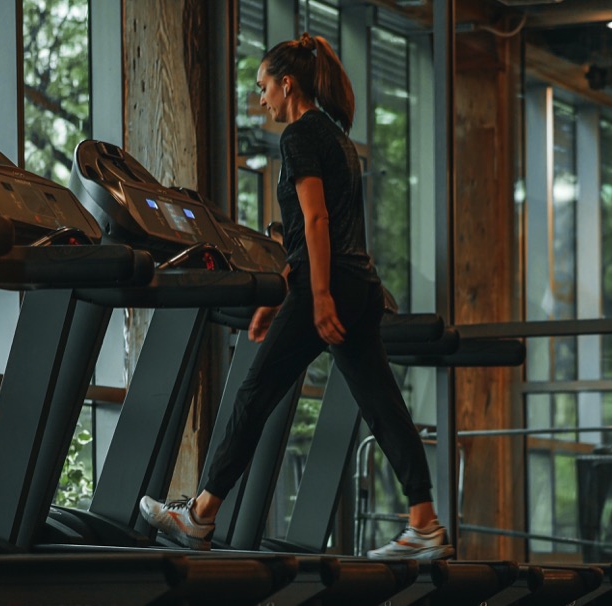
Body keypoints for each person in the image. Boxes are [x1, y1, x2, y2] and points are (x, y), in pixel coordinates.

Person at [139, 33, 454, 560]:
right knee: (381, 404)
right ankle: (424, 523)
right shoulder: (337, 138)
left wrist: (320, 296)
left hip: (329, 287)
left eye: (264, 86)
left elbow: (316, 219)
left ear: (288, 83)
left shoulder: (300, 137)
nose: (261, 99)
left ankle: (200, 515)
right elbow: (314, 239)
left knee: (254, 393)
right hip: (359, 286)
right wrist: (279, 294)